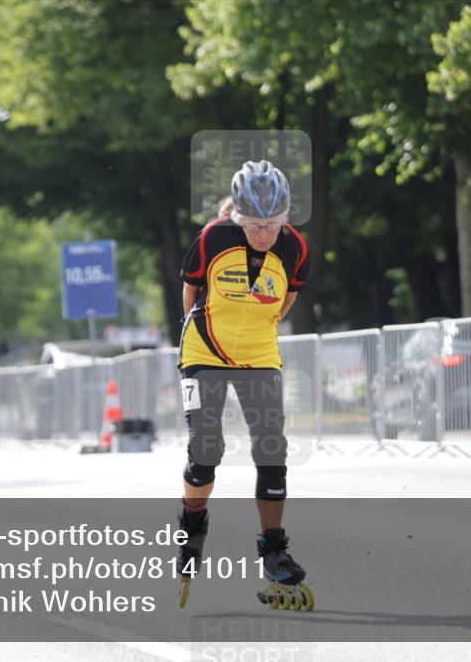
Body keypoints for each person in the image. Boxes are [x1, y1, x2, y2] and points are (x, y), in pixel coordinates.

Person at [176, 159, 314, 610]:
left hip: (258, 354)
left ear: (285, 219)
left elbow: (286, 300)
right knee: (206, 451)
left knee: (272, 447)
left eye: (272, 225)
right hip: (204, 351)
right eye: (254, 225)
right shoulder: (213, 237)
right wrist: (206, 336)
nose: (263, 234)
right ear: (237, 216)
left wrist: (254, 336)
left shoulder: (295, 249)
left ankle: (274, 549)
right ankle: (193, 519)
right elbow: (191, 291)